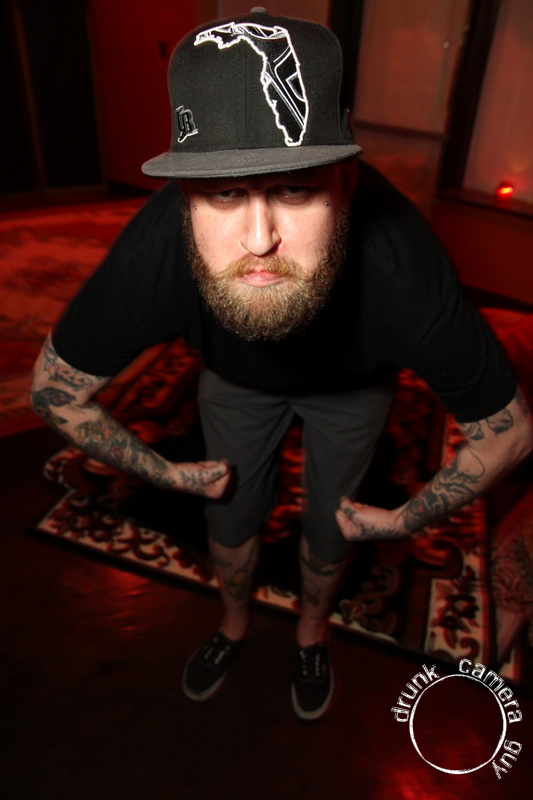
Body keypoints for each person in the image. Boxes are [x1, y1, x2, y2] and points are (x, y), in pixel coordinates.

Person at [30, 9, 532, 721]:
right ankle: (232, 626)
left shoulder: (404, 274)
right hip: (234, 382)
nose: (259, 239)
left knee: (332, 530)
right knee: (229, 518)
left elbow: (509, 432)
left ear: (347, 177)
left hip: (352, 389)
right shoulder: (155, 255)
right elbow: (54, 390)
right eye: (223, 192)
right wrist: (165, 473)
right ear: (183, 191)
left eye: (295, 188)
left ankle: (310, 634)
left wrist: (401, 520)